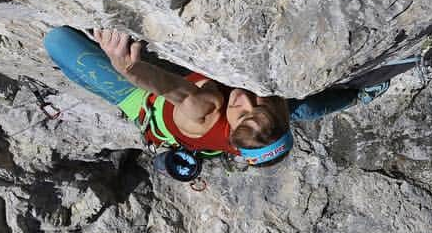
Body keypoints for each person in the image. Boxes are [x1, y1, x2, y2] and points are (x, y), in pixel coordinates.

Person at [42, 26, 388, 167]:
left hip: (143, 102)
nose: (247, 99)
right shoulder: (276, 110)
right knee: (307, 107)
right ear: (280, 113)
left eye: (243, 112)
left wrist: (127, 68)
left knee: (57, 41)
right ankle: (360, 96)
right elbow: (273, 115)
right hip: (270, 121)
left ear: (232, 125)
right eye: (262, 106)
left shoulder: (207, 110)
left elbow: (172, 89)